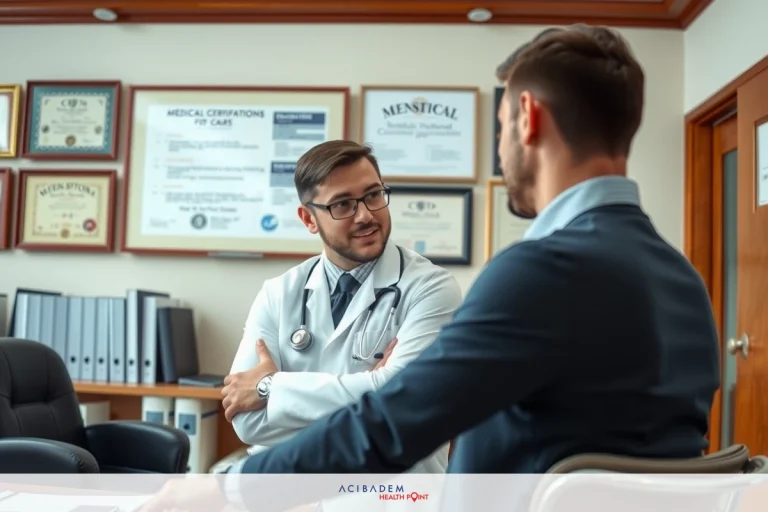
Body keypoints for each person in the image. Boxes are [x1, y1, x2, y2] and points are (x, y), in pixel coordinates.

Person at [141, 24, 720, 512]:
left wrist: (227, 488)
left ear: (527, 117)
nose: (500, 150)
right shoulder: (682, 281)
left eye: (498, 132)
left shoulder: (539, 273)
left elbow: (393, 420)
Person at [219, 139, 462, 475]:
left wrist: (271, 389)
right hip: (291, 498)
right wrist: (373, 392)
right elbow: (248, 423)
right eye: (342, 205)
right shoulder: (278, 294)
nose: (365, 215)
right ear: (308, 219)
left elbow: (403, 407)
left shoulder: (430, 288)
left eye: (374, 195)